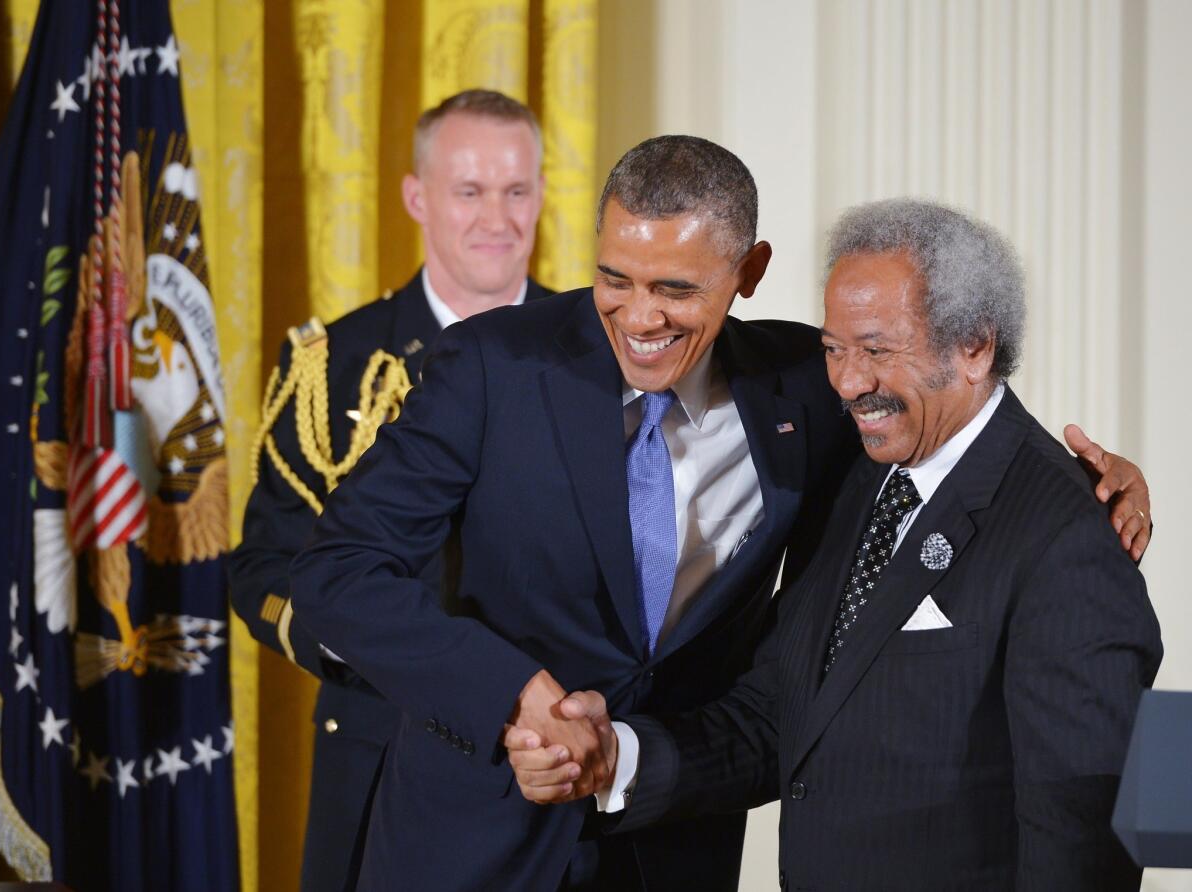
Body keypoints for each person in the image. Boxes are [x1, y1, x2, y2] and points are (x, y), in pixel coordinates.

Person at [289, 137, 1149, 890]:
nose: (639, 317)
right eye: (613, 279)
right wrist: (511, 698)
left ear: (748, 273)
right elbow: (336, 570)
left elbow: (951, 404)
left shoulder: (808, 388)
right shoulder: (492, 366)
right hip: (472, 836)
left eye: (674, 288)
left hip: (673, 838)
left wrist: (1087, 484)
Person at [507, 199, 1162, 890]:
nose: (849, 383)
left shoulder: (1066, 533)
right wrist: (618, 760)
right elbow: (783, 710)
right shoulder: (854, 476)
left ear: (974, 347)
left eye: (877, 351)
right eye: (833, 349)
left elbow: (1082, 832)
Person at [228, 89, 550, 891]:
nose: (497, 218)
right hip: (379, 738)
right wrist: (356, 636)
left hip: (545, 755)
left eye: (517, 191)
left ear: (542, 195)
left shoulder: (596, 356)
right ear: (417, 197)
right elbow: (263, 563)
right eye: (469, 191)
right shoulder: (332, 364)